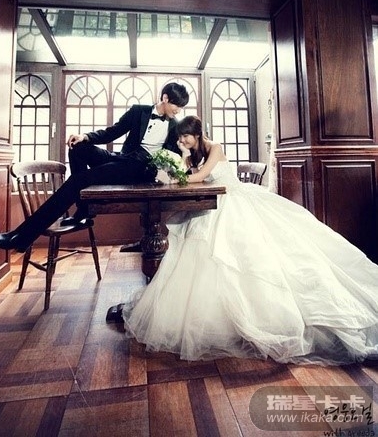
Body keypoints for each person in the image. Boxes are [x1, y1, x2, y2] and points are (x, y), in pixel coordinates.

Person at [123, 115, 378, 366]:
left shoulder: (215, 148)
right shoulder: (193, 154)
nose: (182, 140)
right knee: (195, 239)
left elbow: (198, 178)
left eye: (185, 136)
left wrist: (173, 174)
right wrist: (182, 159)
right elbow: (191, 176)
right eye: (180, 137)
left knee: (243, 253)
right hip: (211, 202)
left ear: (197, 134)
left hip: (232, 201)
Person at [0, 82, 189, 252]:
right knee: (78, 148)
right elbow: (112, 132)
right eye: (177, 105)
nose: (178, 110)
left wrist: (184, 157)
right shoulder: (139, 111)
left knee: (79, 180)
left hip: (138, 170)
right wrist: (86, 136)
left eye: (181, 107)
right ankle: (83, 208)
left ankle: (21, 237)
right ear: (165, 98)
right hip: (122, 159)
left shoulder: (175, 126)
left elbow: (176, 156)